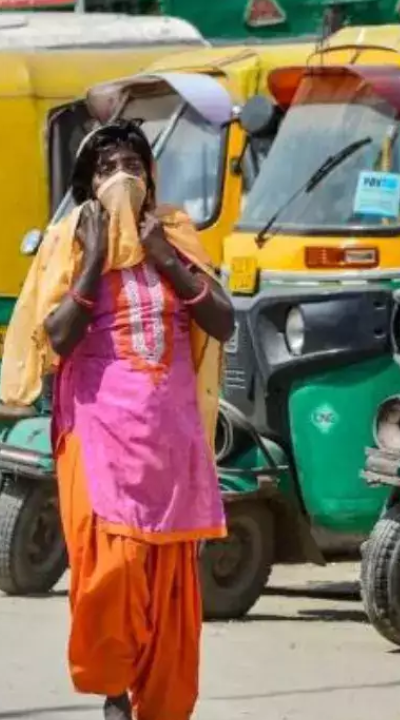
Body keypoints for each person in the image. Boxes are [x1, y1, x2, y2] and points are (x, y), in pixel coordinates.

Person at [0, 121, 234, 720]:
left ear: (150, 178)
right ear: (88, 184)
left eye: (132, 163)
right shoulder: (71, 243)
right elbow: (53, 337)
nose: (121, 176)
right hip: (100, 436)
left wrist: (161, 255)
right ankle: (114, 693)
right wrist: (97, 259)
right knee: (114, 570)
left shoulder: (177, 234)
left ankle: (156, 706)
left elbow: (223, 321)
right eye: (106, 169)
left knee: (169, 586)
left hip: (172, 438)